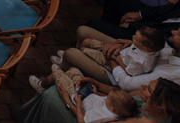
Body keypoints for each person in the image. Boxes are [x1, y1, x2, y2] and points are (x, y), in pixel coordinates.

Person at [29, 27, 165, 93]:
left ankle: (66, 63)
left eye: (136, 38)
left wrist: (114, 57)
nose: (133, 38)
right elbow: (138, 46)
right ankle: (70, 59)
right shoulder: (150, 48)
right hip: (121, 54)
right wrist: (129, 42)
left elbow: (128, 73)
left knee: (80, 51)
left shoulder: (140, 61)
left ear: (146, 48)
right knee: (85, 38)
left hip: (114, 69)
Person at [14, 75, 180, 123]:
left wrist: (67, 102)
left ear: (160, 106)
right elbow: (119, 96)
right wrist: (96, 86)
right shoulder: (156, 107)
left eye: (148, 89)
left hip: (87, 119)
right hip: (101, 111)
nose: (143, 86)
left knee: (52, 96)